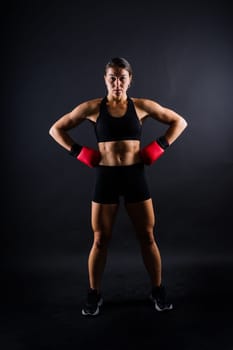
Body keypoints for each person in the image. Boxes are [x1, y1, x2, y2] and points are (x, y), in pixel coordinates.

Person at [49, 57, 188, 316]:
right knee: (100, 240)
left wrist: (160, 146)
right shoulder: (91, 108)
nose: (117, 83)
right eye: (112, 77)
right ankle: (94, 294)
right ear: (105, 79)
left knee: (147, 236)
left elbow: (179, 122)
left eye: (122, 78)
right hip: (107, 178)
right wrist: (79, 152)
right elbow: (56, 129)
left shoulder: (142, 106)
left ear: (130, 80)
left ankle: (157, 290)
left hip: (135, 176)